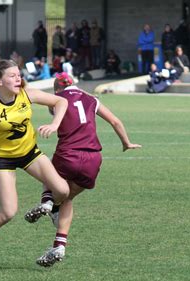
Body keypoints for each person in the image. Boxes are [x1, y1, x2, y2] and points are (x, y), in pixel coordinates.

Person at [24, 72, 141, 267]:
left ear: (57, 89)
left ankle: (47, 202)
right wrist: (126, 142)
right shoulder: (91, 99)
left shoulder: (58, 98)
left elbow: (29, 93)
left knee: (47, 172)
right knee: (68, 197)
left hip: (68, 154)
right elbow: (115, 121)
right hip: (93, 159)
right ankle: (59, 245)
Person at [0, 59, 70, 272]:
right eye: (12, 76)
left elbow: (61, 102)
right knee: (8, 212)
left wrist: (54, 124)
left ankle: (50, 206)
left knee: (63, 190)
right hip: (3, 159)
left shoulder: (26, 93)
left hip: (29, 153)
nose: (18, 78)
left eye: (18, 74)